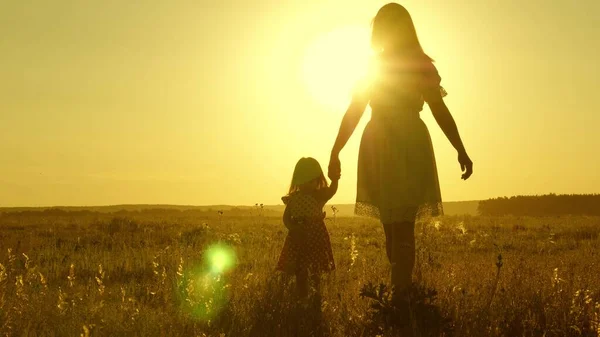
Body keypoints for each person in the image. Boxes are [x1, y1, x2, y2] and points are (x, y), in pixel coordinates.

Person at [328, 3, 473, 299]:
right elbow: (354, 111)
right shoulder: (377, 67)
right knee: (392, 229)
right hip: (384, 142)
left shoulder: (419, 65)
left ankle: (401, 295)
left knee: (402, 225)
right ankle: (401, 292)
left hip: (401, 142)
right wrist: (335, 150)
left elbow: (439, 109)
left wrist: (461, 148)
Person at [276, 157, 338, 298]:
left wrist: (335, 179)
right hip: (298, 237)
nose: (308, 185)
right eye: (304, 181)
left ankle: (316, 295)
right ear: (298, 181)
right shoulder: (293, 199)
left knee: (315, 268)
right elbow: (286, 218)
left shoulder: (318, 196)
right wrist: (293, 228)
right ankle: (301, 295)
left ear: (317, 180)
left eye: (312, 181)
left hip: (315, 237)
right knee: (300, 269)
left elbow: (332, 191)